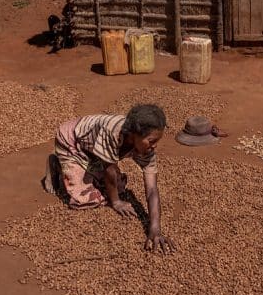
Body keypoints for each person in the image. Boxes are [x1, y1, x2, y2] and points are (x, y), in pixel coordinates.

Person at [43, 104, 174, 254]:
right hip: (72, 142)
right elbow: (109, 170)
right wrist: (116, 202)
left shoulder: (146, 150)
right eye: (151, 141)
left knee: (118, 186)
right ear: (133, 135)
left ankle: (86, 167)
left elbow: (152, 189)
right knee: (85, 199)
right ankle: (56, 162)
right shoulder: (112, 132)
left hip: (93, 150)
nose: (155, 146)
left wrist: (155, 229)